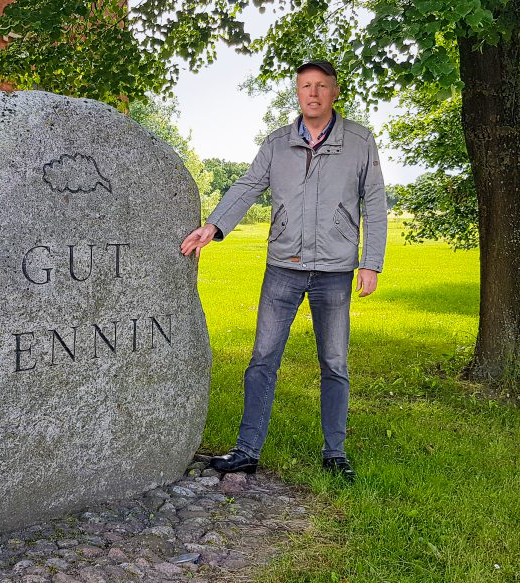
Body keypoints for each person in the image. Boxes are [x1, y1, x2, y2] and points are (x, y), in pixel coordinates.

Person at [180, 60, 387, 482]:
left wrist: (371, 262)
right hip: (283, 269)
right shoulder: (276, 144)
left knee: (334, 363)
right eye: (304, 87)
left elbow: (376, 205)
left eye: (321, 86)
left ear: (334, 92)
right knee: (262, 360)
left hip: (335, 272)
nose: (312, 94)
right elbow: (246, 186)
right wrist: (213, 225)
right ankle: (246, 450)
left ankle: (335, 453)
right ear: (298, 93)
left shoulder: (360, 143)